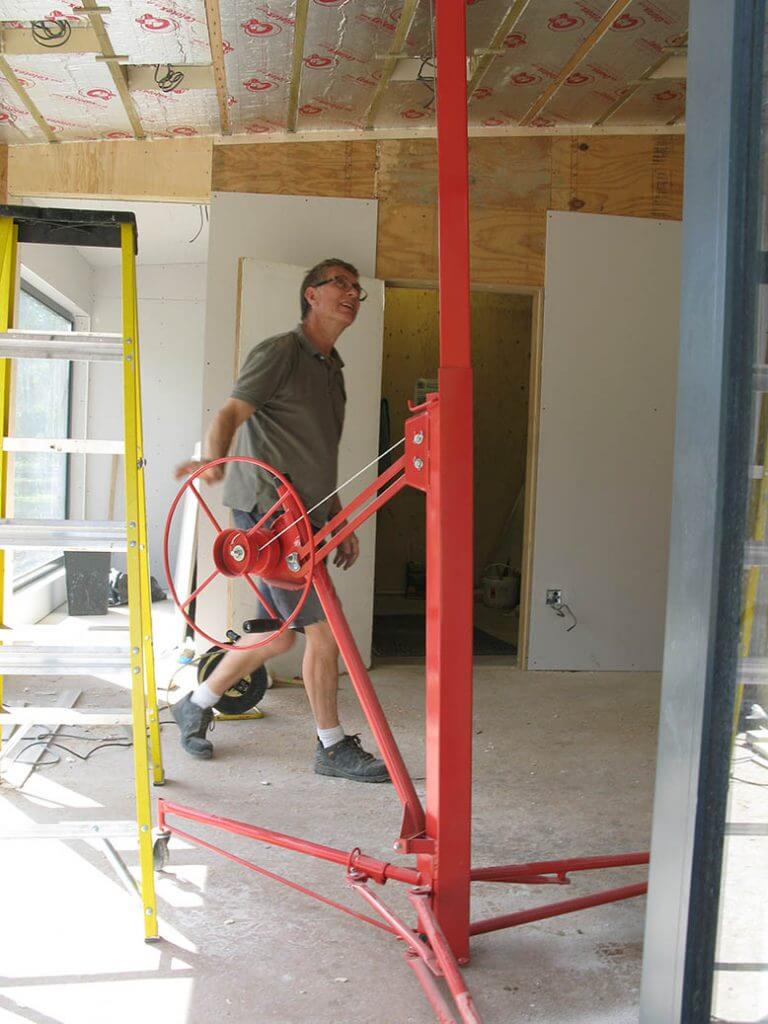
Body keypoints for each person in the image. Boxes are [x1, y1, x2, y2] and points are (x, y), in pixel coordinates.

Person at [172, 258, 389, 784]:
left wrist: (336, 518)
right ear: (310, 295)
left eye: (357, 288)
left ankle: (195, 703)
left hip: (304, 519)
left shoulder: (333, 372)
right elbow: (230, 413)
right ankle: (331, 746)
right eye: (340, 283)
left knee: (281, 637)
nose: (352, 293)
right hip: (267, 521)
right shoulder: (280, 353)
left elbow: (316, 456)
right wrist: (212, 461)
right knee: (323, 632)